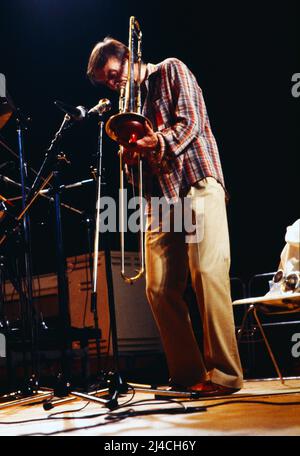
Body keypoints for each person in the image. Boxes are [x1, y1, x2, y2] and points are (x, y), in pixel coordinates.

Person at [87, 37, 244, 396]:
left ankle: (225, 375)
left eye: (114, 74)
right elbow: (140, 177)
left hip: (195, 180)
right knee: (157, 287)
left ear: (128, 57)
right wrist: (130, 160)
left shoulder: (171, 69)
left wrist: (154, 141)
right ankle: (189, 374)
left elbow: (190, 124)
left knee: (207, 271)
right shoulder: (131, 107)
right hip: (161, 201)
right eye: (107, 83)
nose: (114, 85)